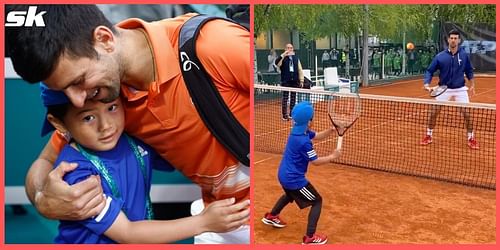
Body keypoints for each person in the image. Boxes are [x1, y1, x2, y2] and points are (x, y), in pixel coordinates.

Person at [6, 4, 250, 243]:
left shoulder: (215, 44)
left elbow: (286, 97)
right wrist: (42, 198)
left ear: (104, 39)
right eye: (65, 90)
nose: (77, 100)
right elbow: (45, 161)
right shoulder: (104, 99)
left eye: (79, 81)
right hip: (231, 221)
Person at [38, 84, 249, 243]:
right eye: (88, 118)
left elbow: (180, 152)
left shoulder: (132, 139)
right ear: (58, 123)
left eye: (112, 107)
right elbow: (127, 233)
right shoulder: (76, 175)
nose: (106, 126)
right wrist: (203, 222)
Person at [261, 101, 341, 245]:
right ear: (310, 121)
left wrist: (330, 131)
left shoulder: (298, 131)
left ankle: (272, 216)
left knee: (289, 195)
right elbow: (315, 161)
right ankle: (310, 237)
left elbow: (317, 135)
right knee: (317, 201)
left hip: (283, 175)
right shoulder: (304, 142)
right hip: (294, 180)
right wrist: (332, 157)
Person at [421, 29, 478, 149]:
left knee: (467, 114)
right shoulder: (440, 57)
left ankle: (471, 138)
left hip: (460, 89)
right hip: (443, 88)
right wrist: (427, 84)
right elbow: (429, 71)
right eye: (451, 38)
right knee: (433, 113)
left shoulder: (463, 55)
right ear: (448, 40)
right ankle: (428, 135)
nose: (453, 40)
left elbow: (469, 70)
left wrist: (472, 84)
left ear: (459, 40)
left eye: (455, 38)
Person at [275, 43, 304, 121]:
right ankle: (284, 115)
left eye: (291, 48)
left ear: (293, 49)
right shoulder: (283, 58)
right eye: (288, 48)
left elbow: (300, 69)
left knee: (293, 98)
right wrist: (283, 55)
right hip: (286, 81)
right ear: (285, 49)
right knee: (285, 98)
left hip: (294, 81)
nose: (289, 49)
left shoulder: (296, 58)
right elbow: (277, 63)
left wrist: (301, 80)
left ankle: (292, 113)